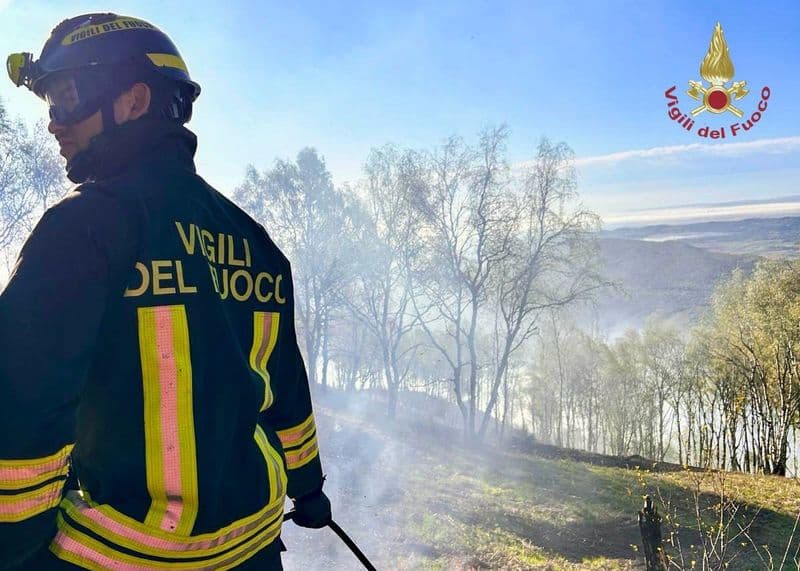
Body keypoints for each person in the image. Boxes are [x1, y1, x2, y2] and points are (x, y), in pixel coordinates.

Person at [1, 13, 331, 570]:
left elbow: (22, 406)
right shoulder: (254, 241)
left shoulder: (82, 228)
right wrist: (308, 486)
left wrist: (12, 548)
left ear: (133, 101)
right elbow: (286, 392)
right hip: (252, 548)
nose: (55, 124)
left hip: (118, 555)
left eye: (67, 99)